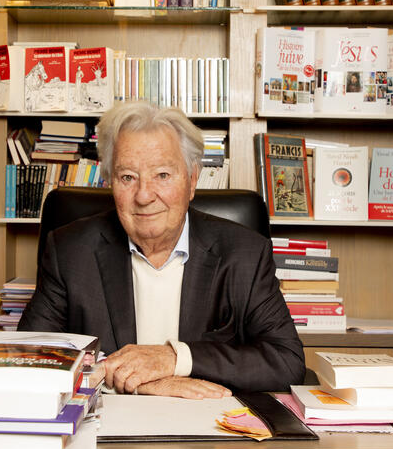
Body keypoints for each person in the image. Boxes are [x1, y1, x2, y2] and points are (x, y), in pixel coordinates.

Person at [19, 102, 305, 397]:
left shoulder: (244, 253)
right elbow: (28, 361)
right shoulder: (70, 251)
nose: (144, 196)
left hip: (208, 427)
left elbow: (286, 362)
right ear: (110, 182)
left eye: (163, 176)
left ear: (192, 180)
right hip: (107, 427)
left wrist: (175, 359)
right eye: (127, 177)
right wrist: (142, 383)